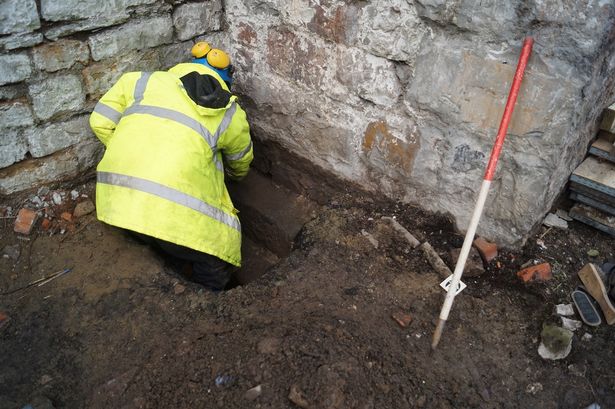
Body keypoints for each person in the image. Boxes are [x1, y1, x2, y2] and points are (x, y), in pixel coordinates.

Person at [89, 42, 253, 291]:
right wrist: (234, 177)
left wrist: (137, 152)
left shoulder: (137, 81)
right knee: (215, 254)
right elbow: (241, 161)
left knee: (158, 240)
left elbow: (99, 121)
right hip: (180, 223)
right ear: (225, 81)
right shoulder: (229, 112)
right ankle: (212, 300)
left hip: (119, 203)